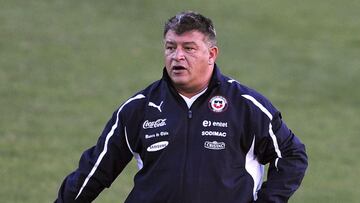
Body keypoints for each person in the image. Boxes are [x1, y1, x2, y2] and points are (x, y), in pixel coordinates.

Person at [55, 11, 308, 203]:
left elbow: (291, 155)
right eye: (170, 47)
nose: (177, 56)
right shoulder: (139, 108)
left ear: (211, 54)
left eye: (189, 48)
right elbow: (95, 171)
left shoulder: (246, 106)